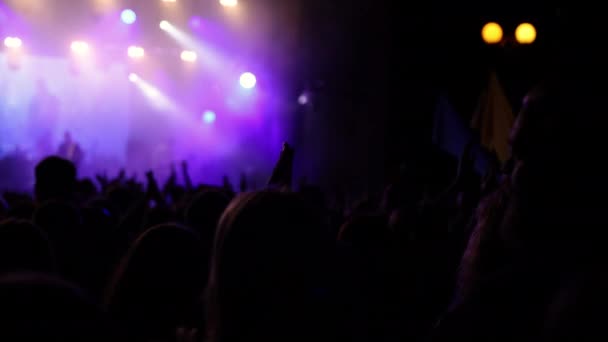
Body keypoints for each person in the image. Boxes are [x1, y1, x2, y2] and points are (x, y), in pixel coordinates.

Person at [28, 79, 60, 158]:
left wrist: (51, 122)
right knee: (40, 149)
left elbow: (55, 111)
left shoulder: (51, 97)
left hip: (47, 128)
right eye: (38, 86)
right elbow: (32, 114)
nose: (39, 88)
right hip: (39, 128)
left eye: (40, 86)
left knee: (47, 148)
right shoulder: (35, 99)